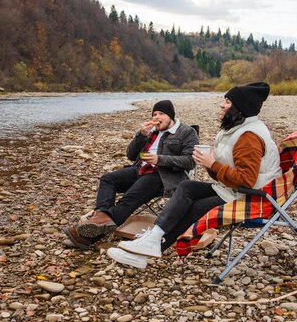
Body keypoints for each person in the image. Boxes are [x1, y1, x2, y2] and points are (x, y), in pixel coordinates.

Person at [108, 82, 282, 268]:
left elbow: (247, 180)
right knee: (187, 187)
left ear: (241, 109)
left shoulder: (248, 137)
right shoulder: (235, 130)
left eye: (228, 102)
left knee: (195, 207)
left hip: (254, 197)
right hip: (233, 189)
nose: (222, 105)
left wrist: (212, 164)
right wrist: (209, 164)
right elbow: (228, 176)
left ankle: (147, 250)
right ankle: (153, 239)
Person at [63, 100, 199, 249]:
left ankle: (86, 237)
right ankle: (101, 216)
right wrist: (141, 135)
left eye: (161, 114)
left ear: (171, 116)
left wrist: (160, 159)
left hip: (162, 176)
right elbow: (131, 155)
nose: (157, 117)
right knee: (108, 179)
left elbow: (190, 161)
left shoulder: (186, 132)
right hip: (139, 169)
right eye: (154, 114)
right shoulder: (152, 131)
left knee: (129, 199)